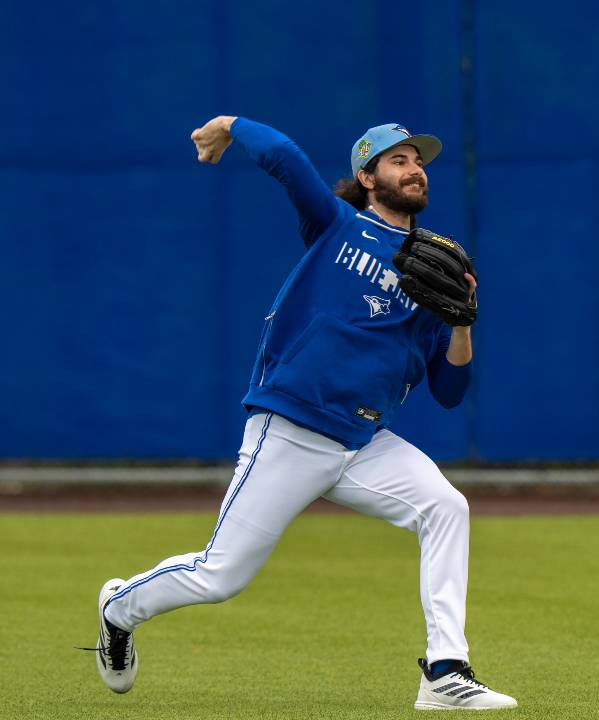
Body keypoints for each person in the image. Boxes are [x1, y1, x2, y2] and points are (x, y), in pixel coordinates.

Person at [87, 115, 517, 709]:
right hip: (291, 428)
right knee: (220, 576)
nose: (414, 169)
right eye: (398, 160)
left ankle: (445, 671)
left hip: (361, 442)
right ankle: (118, 608)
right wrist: (231, 125)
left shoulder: (431, 271)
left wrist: (463, 322)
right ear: (367, 177)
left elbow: (449, 390)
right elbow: (287, 158)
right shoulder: (338, 225)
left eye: (418, 161)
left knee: (446, 507)